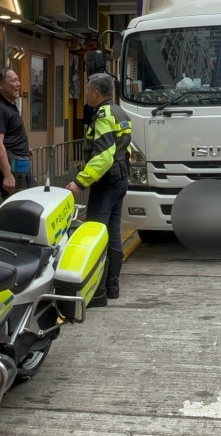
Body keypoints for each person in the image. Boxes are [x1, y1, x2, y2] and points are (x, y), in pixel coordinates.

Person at [66, 73, 132, 308]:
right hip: (120, 178)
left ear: (95, 92)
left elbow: (103, 156)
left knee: (95, 234)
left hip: (106, 182)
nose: (85, 93)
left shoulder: (104, 115)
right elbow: (125, 149)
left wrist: (80, 182)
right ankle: (112, 287)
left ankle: (97, 291)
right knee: (112, 233)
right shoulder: (120, 112)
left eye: (87, 89)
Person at [0, 68, 33, 197]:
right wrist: (7, 174)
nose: (18, 84)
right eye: (13, 81)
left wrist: (23, 148)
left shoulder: (10, 106)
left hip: (20, 164)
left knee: (28, 200)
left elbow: (10, 135)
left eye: (18, 80)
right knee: (18, 207)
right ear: (0, 85)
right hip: (12, 169)